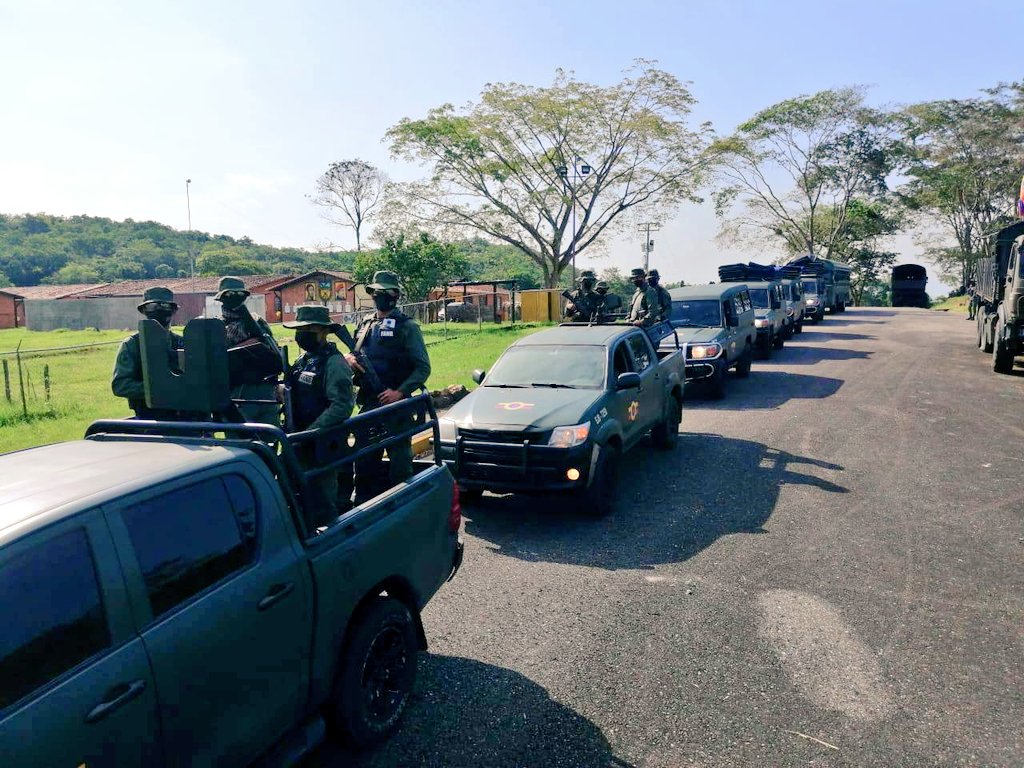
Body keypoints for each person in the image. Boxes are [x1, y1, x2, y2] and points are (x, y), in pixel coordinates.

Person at [346, 270, 431, 504]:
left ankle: (405, 509)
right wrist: (350, 360)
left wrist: (400, 392)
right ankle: (363, 507)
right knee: (363, 462)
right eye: (376, 292)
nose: (380, 296)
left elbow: (423, 368)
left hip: (395, 407)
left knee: (400, 465)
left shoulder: (407, 327)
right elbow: (356, 353)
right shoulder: (365, 324)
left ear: (395, 295)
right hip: (369, 404)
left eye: (385, 292)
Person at [281, 305, 355, 526]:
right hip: (298, 440)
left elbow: (341, 405)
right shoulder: (304, 359)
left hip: (322, 444)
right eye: (300, 328)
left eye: (308, 328)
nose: (302, 333)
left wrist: (310, 433)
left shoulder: (334, 363)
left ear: (323, 331)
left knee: (323, 503)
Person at [215, 276, 282, 424]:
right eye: (230, 295)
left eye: (240, 295)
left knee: (270, 440)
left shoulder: (257, 321)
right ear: (221, 298)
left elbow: (274, 353)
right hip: (238, 391)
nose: (236, 298)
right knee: (240, 440)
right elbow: (215, 361)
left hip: (265, 388)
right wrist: (245, 346)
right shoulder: (217, 326)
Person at [111, 286, 185, 419]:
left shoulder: (182, 342)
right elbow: (120, 385)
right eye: (153, 306)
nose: (159, 310)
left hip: (184, 416)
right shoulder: (132, 344)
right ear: (144, 310)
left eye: (165, 306)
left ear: (173, 311)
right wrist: (156, 389)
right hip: (148, 419)